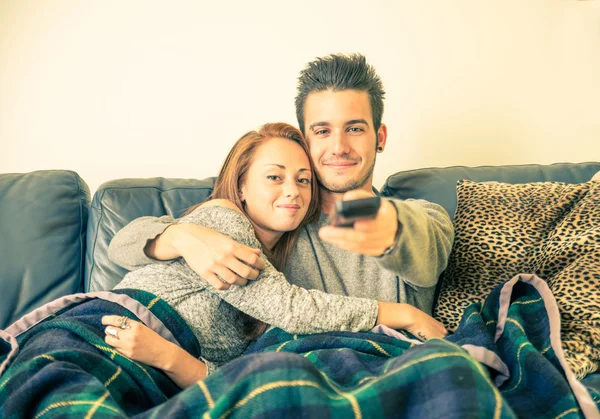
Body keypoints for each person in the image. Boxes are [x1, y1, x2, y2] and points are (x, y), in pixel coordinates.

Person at [104, 122, 447, 389]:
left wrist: (171, 359)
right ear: (240, 185)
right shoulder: (221, 217)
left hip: (158, 369)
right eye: (274, 177)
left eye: (303, 180)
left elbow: (226, 378)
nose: (291, 191)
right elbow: (292, 308)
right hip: (110, 333)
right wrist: (179, 236)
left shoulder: (281, 259)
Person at [109, 54, 453, 318]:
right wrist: (181, 238)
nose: (338, 147)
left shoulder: (425, 217)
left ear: (379, 137)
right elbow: (121, 246)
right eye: (322, 131)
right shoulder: (278, 219)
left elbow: (423, 245)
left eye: (355, 128)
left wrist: (390, 227)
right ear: (305, 140)